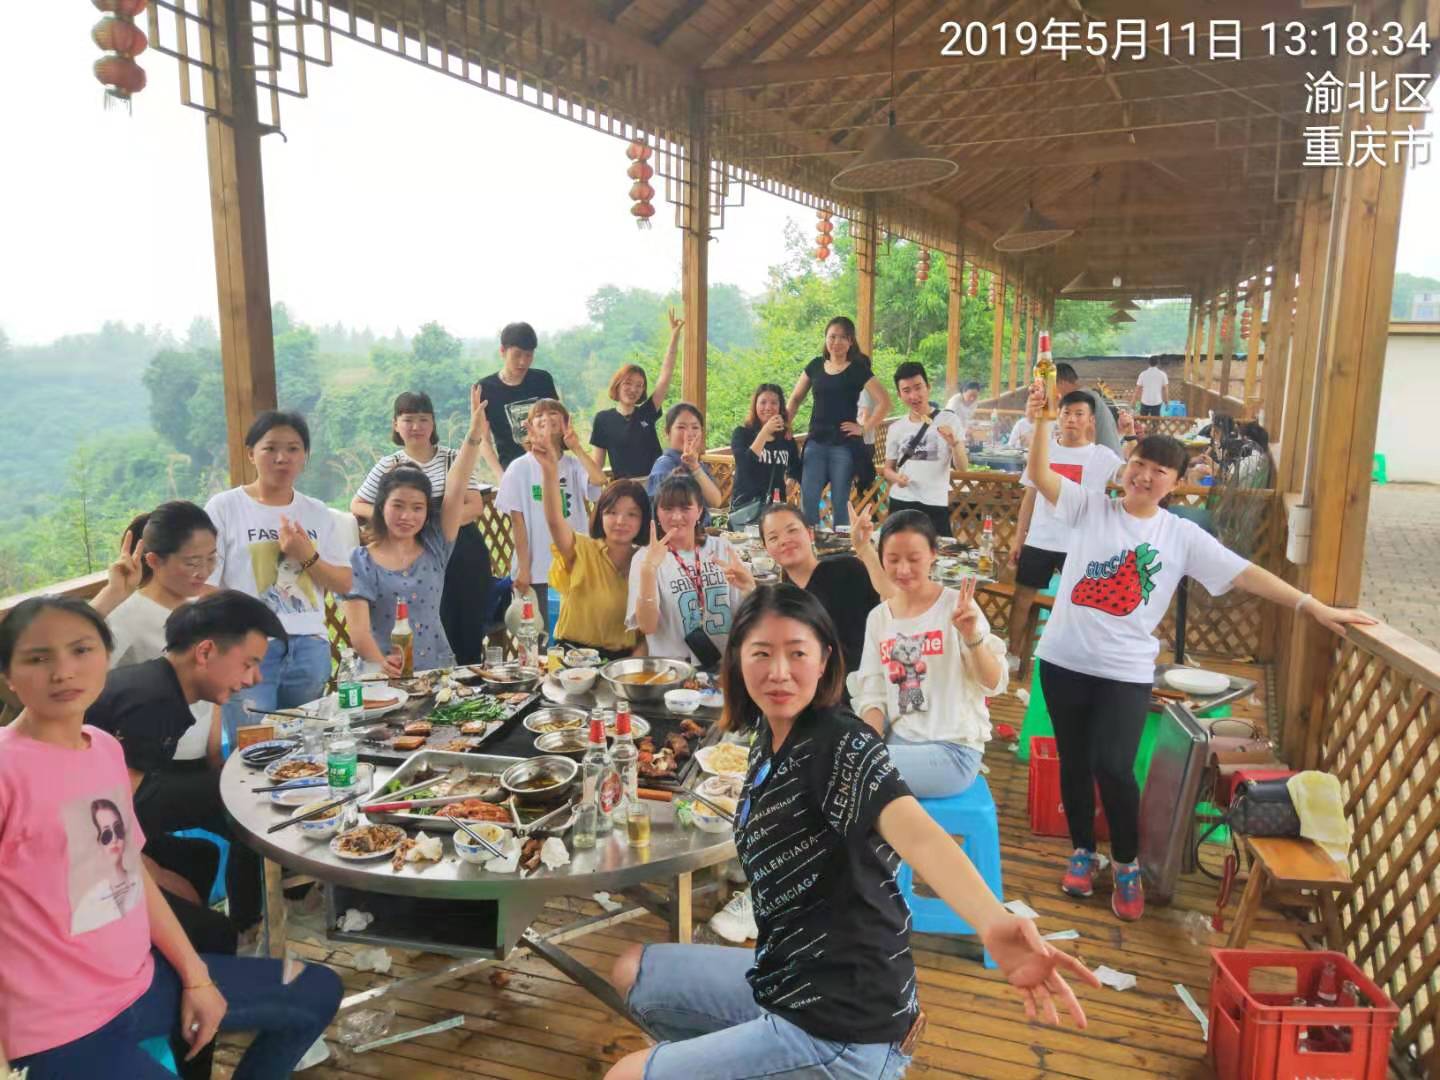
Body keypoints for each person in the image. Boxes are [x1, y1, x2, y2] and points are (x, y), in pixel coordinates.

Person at [603, 585, 1098, 1080]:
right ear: (737, 660)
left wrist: (993, 923)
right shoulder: (770, 735)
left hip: (842, 1028)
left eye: (797, 653)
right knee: (631, 970)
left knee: (627, 1074)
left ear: (825, 661)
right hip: (784, 978)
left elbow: (920, 835)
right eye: (761, 654)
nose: (779, 672)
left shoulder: (842, 744)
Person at [1021, 384, 1375, 921]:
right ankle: (1081, 852)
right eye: (1138, 464)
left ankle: (1125, 863)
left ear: (1175, 483)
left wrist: (1310, 606)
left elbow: (1247, 574)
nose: (1145, 477)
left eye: (1159, 472)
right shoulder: (1090, 508)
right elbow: (1044, 476)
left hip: (1125, 671)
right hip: (1064, 660)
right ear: (1124, 467)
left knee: (1114, 766)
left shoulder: (1179, 535)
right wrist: (1042, 421)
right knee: (1073, 761)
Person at [0, 596, 342, 1079]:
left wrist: (196, 975)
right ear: (9, 676)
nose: (63, 672)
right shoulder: (7, 771)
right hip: (59, 1026)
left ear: (105, 656)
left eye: (81, 650)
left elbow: (127, 870)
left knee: (314, 989)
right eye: (38, 658)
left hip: (140, 982)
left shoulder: (100, 749)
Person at [87, 591, 284, 965]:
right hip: (86, 869)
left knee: (204, 851)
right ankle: (190, 975)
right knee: (217, 930)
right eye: (249, 663)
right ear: (205, 652)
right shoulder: (151, 702)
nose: (255, 678)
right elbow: (107, 818)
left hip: (120, 833)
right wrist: (151, 871)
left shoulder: (160, 686)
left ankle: (196, 951)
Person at [205, 411, 353, 750]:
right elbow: (207, 586)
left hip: (309, 650)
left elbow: (344, 583)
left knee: (306, 747)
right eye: (270, 448)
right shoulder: (225, 507)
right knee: (254, 749)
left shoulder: (317, 512)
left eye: (293, 448)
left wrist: (305, 554)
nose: (282, 457)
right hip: (248, 649)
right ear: (250, 453)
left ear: (305, 456)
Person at [851, 510, 1007, 798]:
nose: (903, 569)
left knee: (848, 771)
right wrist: (867, 746)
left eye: (914, 559)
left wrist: (972, 637)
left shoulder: (956, 607)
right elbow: (873, 695)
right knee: (845, 761)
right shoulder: (879, 618)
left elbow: (993, 683)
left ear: (934, 554)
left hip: (952, 751)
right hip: (898, 741)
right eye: (893, 559)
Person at [344, 387, 488, 674]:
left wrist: (473, 436)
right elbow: (358, 632)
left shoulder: (435, 546)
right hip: (381, 681)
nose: (407, 516)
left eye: (417, 508)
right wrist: (381, 663)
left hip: (437, 672)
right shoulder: (360, 561)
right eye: (397, 506)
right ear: (382, 505)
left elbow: (457, 490)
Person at [1007, 390, 1125, 673]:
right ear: (1057, 415)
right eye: (1066, 413)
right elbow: (1030, 496)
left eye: (1078, 414)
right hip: (1040, 537)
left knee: (1081, 601)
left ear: (1091, 421)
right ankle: (1012, 653)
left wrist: (1128, 438)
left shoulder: (1102, 456)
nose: (1071, 419)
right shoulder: (1044, 447)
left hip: (1080, 541)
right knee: (1022, 596)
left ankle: (1074, 657)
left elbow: (1126, 477)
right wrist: (1018, 537)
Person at [105, 503, 220, 764]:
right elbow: (89, 680)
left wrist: (215, 747)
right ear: (154, 561)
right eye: (192, 562)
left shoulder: (201, 605)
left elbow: (213, 691)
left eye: (211, 558)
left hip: (201, 755)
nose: (203, 571)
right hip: (149, 763)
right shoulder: (129, 614)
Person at [537, 433, 649, 662]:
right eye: (612, 512)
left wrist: (636, 664)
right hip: (573, 658)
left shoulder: (647, 562)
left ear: (644, 520)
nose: (620, 521)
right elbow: (554, 519)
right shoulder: (581, 549)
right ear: (600, 515)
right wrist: (550, 472)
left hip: (623, 663)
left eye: (632, 514)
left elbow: (648, 630)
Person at [627, 473, 753, 668]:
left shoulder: (722, 549)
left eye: (686, 508)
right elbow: (647, 626)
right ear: (657, 514)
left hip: (724, 667)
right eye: (667, 509)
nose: (676, 517)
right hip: (673, 671)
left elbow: (747, 616)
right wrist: (648, 570)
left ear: (700, 510)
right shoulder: (644, 558)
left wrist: (750, 590)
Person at [498, 398, 606, 622]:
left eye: (553, 413)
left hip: (575, 564)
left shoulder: (574, 465)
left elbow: (599, 480)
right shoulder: (520, 468)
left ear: (565, 422)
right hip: (538, 569)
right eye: (539, 415)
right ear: (529, 426)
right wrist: (524, 569)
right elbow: (518, 522)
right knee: (541, 638)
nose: (546, 418)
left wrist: (576, 447)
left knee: (576, 632)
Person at [758, 501, 890, 680]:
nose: (784, 541)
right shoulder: (784, 595)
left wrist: (865, 549)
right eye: (773, 538)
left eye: (792, 530)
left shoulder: (846, 569)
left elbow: (893, 600)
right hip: (816, 691)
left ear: (810, 533)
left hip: (865, 685)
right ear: (766, 548)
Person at [787, 316, 891, 528]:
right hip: (815, 443)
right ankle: (811, 549)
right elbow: (796, 398)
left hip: (843, 445)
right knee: (808, 498)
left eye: (843, 337)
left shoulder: (857, 369)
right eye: (832, 336)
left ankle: (841, 552)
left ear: (851, 341)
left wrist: (864, 428)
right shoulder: (815, 366)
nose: (837, 342)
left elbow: (884, 401)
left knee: (840, 502)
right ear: (825, 339)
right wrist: (786, 425)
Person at [590, 309, 683, 479]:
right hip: (626, 491)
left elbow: (665, 376)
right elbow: (597, 464)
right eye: (628, 383)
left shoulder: (647, 412)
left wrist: (674, 336)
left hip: (656, 485)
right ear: (617, 386)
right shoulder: (602, 420)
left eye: (639, 385)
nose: (633, 389)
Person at [883, 362, 967, 538]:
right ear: (899, 395)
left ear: (928, 387)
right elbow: (887, 469)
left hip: (934, 502)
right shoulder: (896, 428)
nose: (914, 395)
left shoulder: (949, 420)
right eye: (906, 391)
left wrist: (954, 443)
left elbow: (963, 468)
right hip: (901, 501)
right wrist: (897, 477)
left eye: (918, 387)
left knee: (939, 557)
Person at [479, 321, 559, 469]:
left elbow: (558, 422)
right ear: (502, 351)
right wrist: (501, 477)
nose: (523, 362)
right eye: (517, 355)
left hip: (548, 464)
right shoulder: (485, 388)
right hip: (511, 468)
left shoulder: (542, 380)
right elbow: (483, 440)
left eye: (529, 355)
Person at [728, 384, 802, 515]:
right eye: (763, 402)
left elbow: (796, 465)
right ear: (755, 405)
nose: (768, 407)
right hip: (747, 508)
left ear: (780, 407)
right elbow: (744, 465)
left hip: (775, 508)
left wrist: (791, 479)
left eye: (774, 403)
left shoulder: (786, 438)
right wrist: (765, 432)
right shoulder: (742, 434)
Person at [645, 402, 724, 509]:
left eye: (695, 427)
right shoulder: (664, 466)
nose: (689, 433)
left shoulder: (698, 465)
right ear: (667, 433)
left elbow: (716, 502)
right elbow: (663, 512)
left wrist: (695, 467)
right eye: (681, 427)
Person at [1054, 363, 1122, 455]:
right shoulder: (1087, 395)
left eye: (1051, 386)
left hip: (1105, 461)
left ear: (1061, 382)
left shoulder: (1083, 399)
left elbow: (1085, 438)